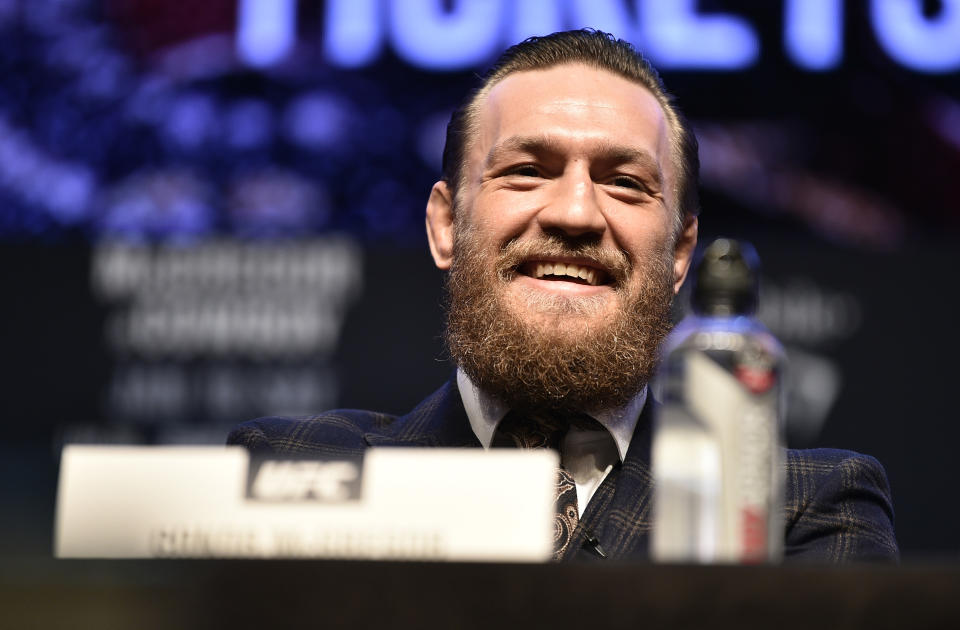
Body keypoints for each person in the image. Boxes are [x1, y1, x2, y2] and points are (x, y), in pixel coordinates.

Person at [228, 29, 898, 563]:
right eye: (526, 171)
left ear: (680, 254)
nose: (576, 212)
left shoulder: (803, 513)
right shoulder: (289, 477)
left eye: (626, 183)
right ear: (446, 227)